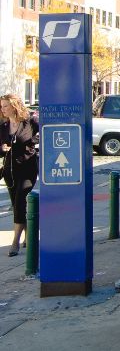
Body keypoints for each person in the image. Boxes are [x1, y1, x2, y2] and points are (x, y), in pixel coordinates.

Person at [0, 93, 39, 257]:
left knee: (20, 202)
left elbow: (46, 134)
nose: (3, 109)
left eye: (5, 106)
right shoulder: (3, 126)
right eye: (1, 106)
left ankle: (15, 242)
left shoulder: (30, 122)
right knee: (18, 205)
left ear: (14, 106)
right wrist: (2, 149)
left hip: (27, 168)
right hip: (10, 171)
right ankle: (30, 238)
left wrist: (36, 142)